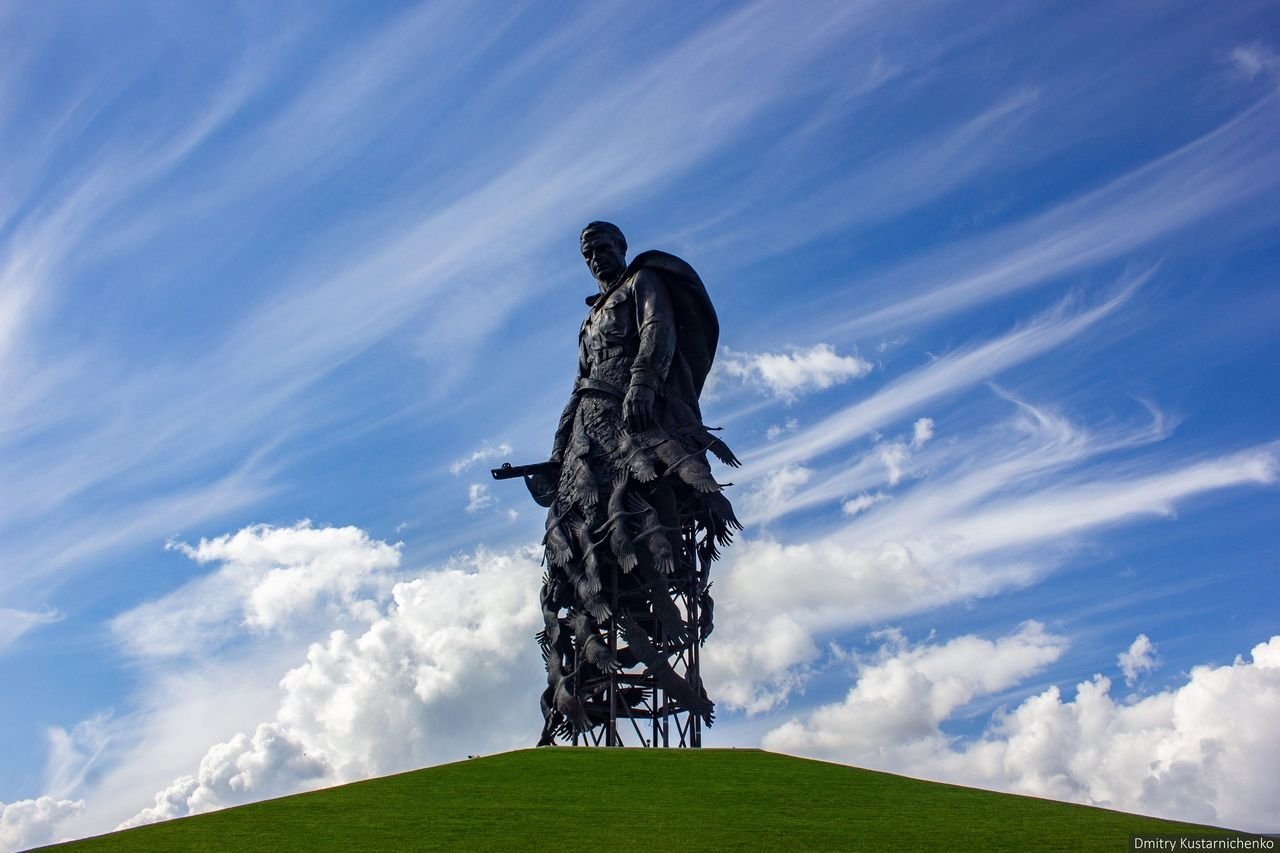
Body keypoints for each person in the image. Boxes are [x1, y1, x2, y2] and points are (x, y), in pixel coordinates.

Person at [534, 221, 739, 745]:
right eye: (589, 253)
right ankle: (590, 680)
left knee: (643, 519)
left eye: (604, 247)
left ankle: (657, 643)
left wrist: (644, 383)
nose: (598, 257)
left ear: (621, 248)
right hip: (588, 429)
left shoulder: (643, 281)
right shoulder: (588, 319)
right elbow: (578, 386)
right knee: (580, 551)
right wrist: (558, 457)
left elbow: (659, 332)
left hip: (636, 421)